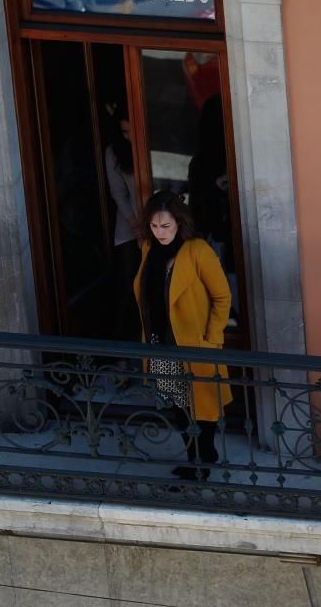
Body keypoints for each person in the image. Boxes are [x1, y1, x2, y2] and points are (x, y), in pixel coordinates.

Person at [134, 191, 233, 481]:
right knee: (178, 404)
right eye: (154, 226)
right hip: (161, 342)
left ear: (179, 222)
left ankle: (202, 461)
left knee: (201, 405)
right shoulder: (148, 249)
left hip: (195, 344)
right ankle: (196, 457)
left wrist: (212, 339)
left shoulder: (197, 250)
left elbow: (222, 297)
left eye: (166, 226)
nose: (160, 232)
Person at [104, 110, 141, 343]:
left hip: (163, 228)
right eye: (125, 132)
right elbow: (118, 193)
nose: (130, 137)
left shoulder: (157, 141)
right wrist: (137, 229)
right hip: (129, 227)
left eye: (133, 130)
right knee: (127, 288)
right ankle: (123, 354)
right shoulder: (114, 152)